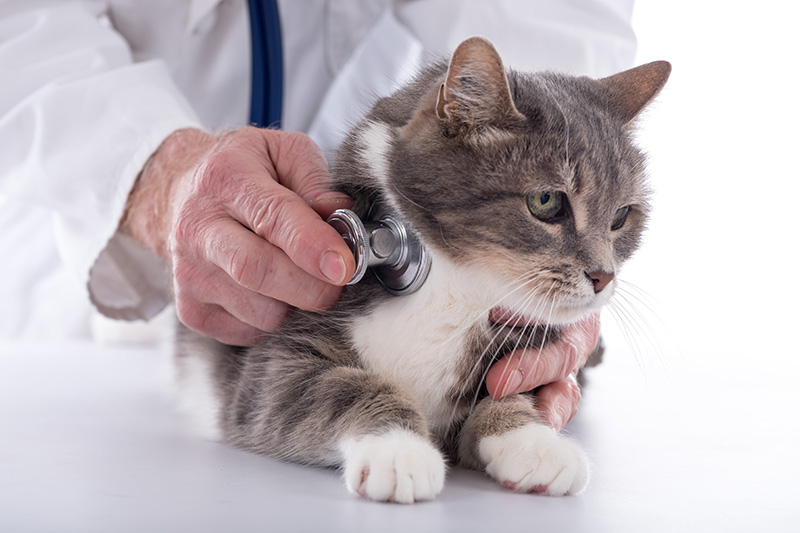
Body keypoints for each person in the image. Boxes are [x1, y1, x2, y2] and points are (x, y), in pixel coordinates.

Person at [0, 0, 637, 431]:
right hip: (68, 250)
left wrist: (556, 284)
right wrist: (158, 176)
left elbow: (546, 25)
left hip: (414, 264)